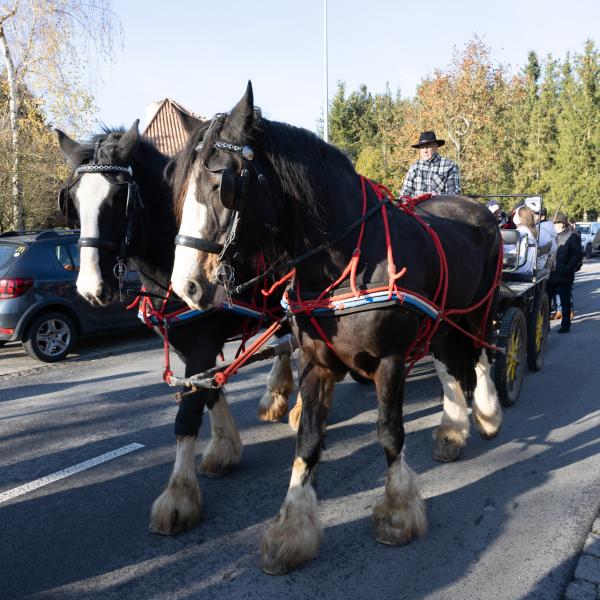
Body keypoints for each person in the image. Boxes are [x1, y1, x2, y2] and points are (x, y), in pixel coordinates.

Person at [547, 212, 582, 333]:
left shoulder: (572, 236)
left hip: (564, 276)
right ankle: (545, 326)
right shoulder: (551, 236)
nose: (553, 226)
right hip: (550, 275)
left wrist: (567, 268)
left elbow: (576, 256)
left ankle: (565, 325)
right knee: (546, 302)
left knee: (565, 302)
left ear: (562, 224)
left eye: (555, 224)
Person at [400, 131, 461, 197]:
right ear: (419, 150)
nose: (425, 151)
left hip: (440, 205)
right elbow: (405, 193)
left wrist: (438, 196)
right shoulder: (414, 168)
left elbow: (454, 192)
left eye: (428, 146)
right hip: (417, 206)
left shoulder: (449, 166)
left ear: (436, 147)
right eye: (422, 147)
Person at [512, 205, 555, 276]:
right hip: (529, 267)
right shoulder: (533, 230)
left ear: (520, 218)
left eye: (516, 214)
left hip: (520, 268)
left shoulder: (522, 232)